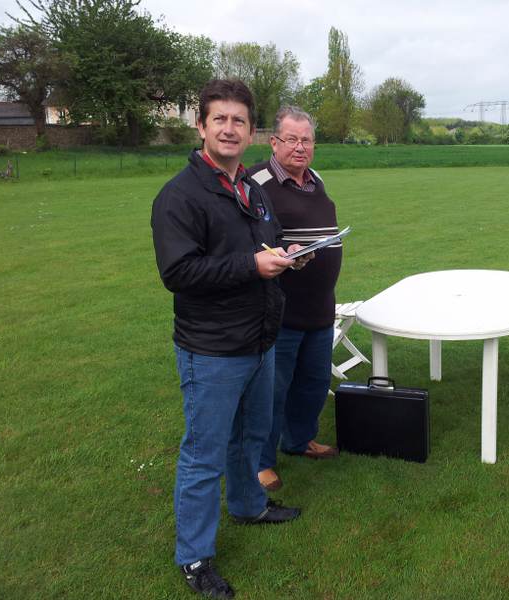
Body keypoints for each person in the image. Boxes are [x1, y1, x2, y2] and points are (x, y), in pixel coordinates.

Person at [151, 80, 311, 599]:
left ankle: (248, 506)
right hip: (211, 350)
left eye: (238, 120)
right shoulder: (179, 195)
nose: (228, 128)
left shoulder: (252, 188)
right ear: (201, 127)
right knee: (203, 453)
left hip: (259, 340)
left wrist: (287, 253)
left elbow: (264, 244)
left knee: (250, 435)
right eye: (218, 119)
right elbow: (179, 272)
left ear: (250, 131)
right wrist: (252, 265)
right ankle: (195, 557)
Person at [248, 107, 342, 492]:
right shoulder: (256, 181)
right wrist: (286, 249)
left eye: (307, 140)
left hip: (320, 307)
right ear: (274, 142)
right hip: (280, 311)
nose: (300, 147)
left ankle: (300, 440)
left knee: (314, 383)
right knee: (272, 390)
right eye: (291, 139)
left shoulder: (315, 179)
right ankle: (261, 462)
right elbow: (247, 240)